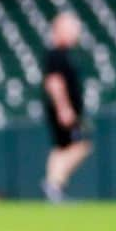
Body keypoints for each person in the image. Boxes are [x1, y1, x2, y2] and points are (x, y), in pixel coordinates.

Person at [40, 12, 92, 203]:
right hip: (62, 110)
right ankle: (53, 184)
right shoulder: (56, 54)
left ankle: (54, 186)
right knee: (79, 146)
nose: (75, 33)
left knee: (62, 148)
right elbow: (54, 82)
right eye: (71, 28)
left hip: (66, 109)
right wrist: (64, 108)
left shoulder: (65, 54)